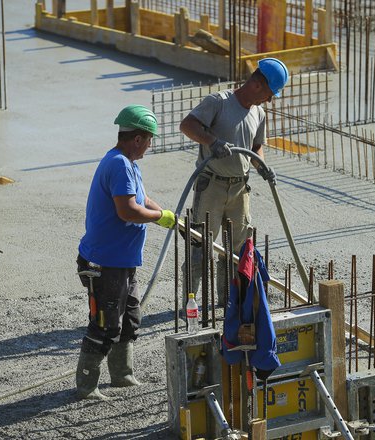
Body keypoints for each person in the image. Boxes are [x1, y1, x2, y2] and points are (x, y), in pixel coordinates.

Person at [75, 105, 175, 400]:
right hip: (105, 262)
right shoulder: (118, 164)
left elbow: (141, 198)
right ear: (137, 139)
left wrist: (167, 215)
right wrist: (158, 218)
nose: (150, 145)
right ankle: (86, 385)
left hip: (121, 260)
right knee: (106, 322)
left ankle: (122, 374)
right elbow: (128, 210)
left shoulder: (128, 164)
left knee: (130, 317)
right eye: (149, 139)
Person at [179, 57, 289, 303]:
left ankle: (225, 302)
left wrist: (262, 165)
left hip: (240, 189)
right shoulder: (219, 102)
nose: (270, 100)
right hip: (212, 186)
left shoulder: (258, 113)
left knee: (236, 250)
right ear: (258, 85)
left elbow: (256, 146)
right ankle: (191, 303)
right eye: (270, 94)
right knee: (200, 247)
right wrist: (212, 142)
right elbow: (187, 125)